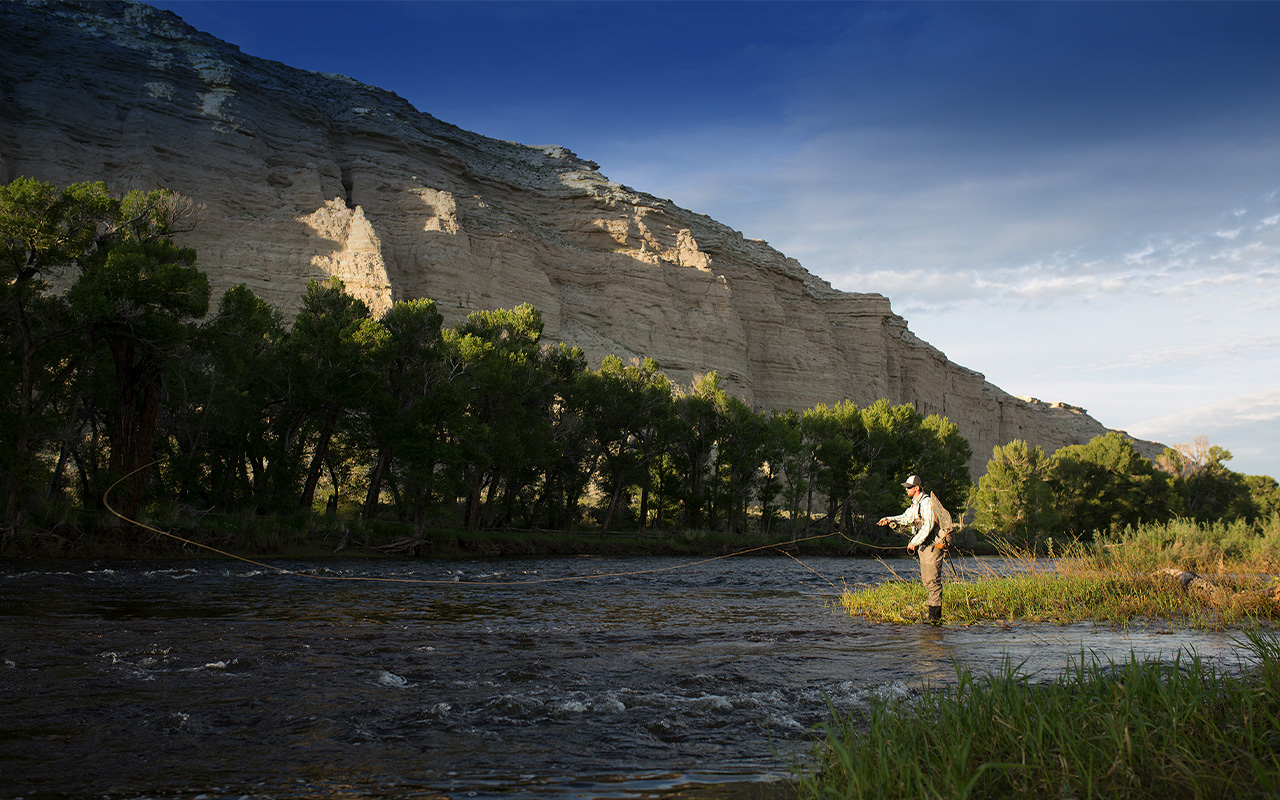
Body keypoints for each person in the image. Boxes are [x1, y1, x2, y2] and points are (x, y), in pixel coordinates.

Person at [877, 474, 944, 624]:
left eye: (908, 487)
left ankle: (935, 620)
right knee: (927, 582)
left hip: (932, 547)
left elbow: (929, 525)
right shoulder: (916, 503)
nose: (906, 490)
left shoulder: (926, 503)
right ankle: (933, 619)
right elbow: (906, 517)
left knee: (932, 582)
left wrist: (914, 541)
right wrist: (889, 519)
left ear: (917, 488)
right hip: (924, 547)